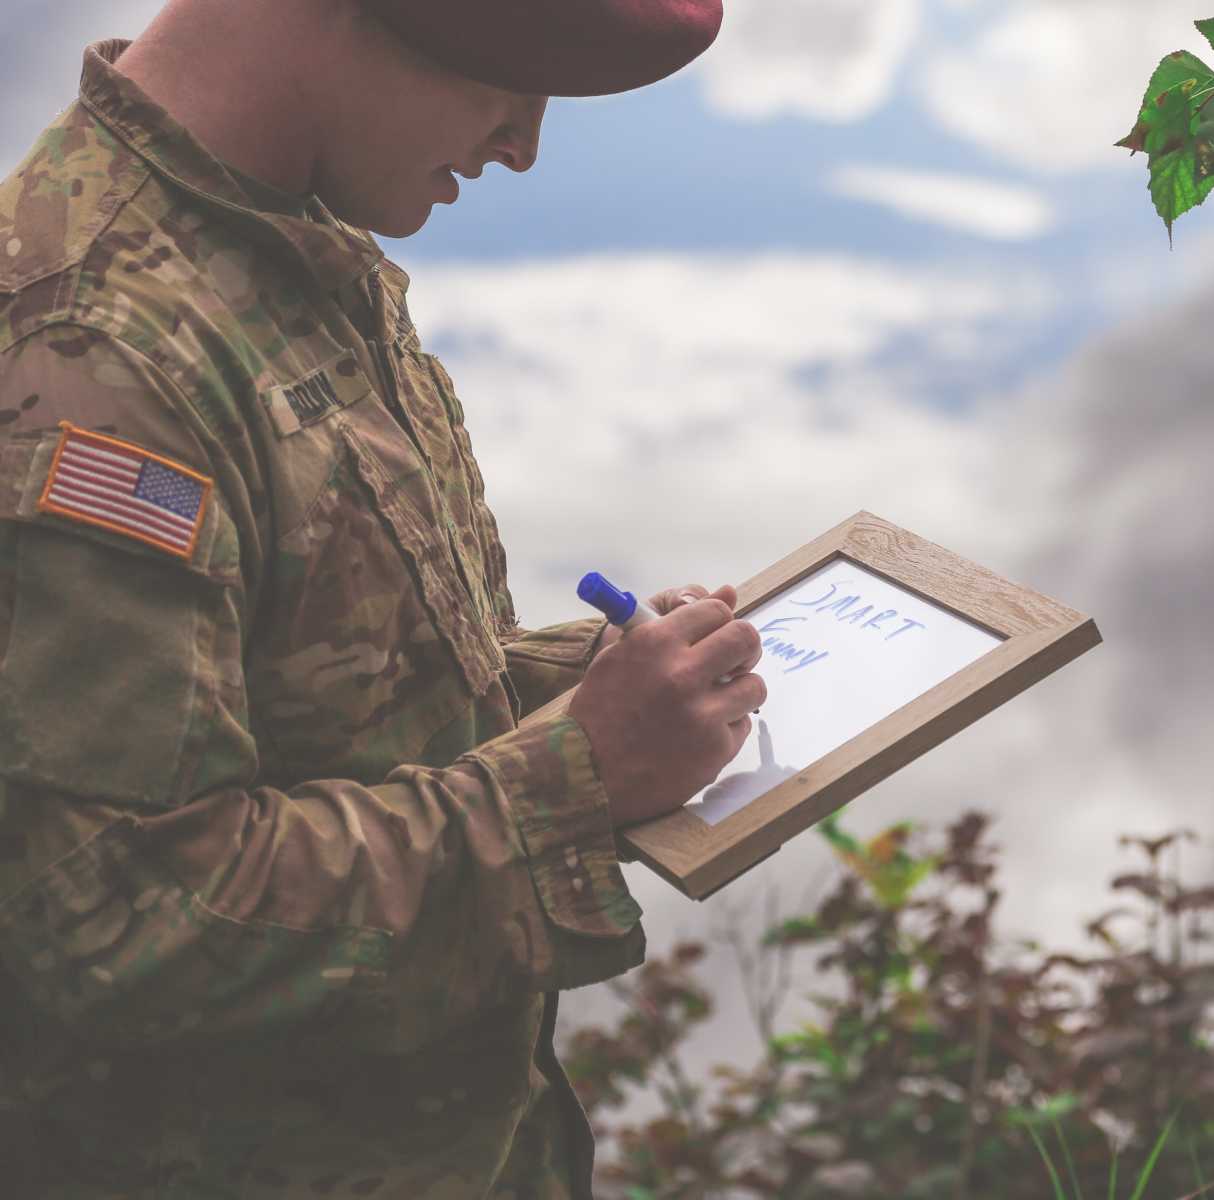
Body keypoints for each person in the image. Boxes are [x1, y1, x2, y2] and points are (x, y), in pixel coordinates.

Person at [0, 1, 766, 1195]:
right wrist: (578, 776)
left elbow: (331, 689)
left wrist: (595, 690)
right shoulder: (89, 348)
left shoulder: (277, 238)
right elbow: (115, 921)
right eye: (509, 72)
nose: (524, 141)